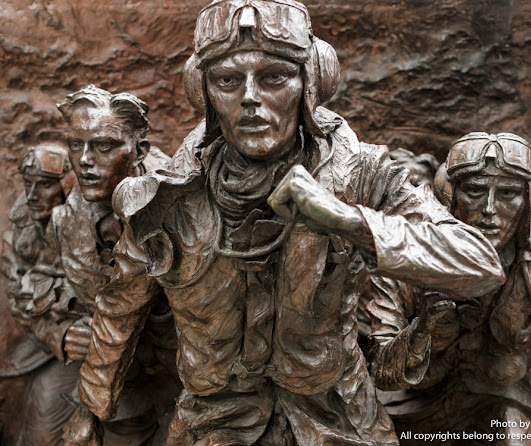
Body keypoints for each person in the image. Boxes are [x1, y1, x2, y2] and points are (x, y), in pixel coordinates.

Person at [71, 2, 504, 444]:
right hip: (213, 423)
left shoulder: (364, 175)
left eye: (274, 77)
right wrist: (91, 409)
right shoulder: (163, 199)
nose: (249, 97)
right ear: (202, 92)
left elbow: (480, 267)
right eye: (227, 80)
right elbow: (118, 310)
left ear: (311, 84)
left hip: (337, 416)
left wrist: (347, 220)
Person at [367, 132, 531, 445]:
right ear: (450, 195)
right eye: (475, 190)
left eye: (508, 193)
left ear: (527, 201)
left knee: (517, 436)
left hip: (498, 399)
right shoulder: (405, 256)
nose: (490, 209)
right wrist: (422, 330)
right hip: (410, 407)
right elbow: (381, 367)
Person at [21, 85, 178, 446]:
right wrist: (59, 334)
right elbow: (37, 284)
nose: (86, 160)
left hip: (181, 373)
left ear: (139, 150)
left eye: (104, 146)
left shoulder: (178, 202)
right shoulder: (66, 219)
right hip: (111, 374)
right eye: (77, 145)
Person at [0, 143, 75, 445]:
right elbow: (18, 291)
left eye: (44, 184)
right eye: (29, 184)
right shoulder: (22, 222)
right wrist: (59, 332)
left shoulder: (93, 216)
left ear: (68, 182)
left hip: (90, 349)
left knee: (42, 427)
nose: (33, 195)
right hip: (40, 340)